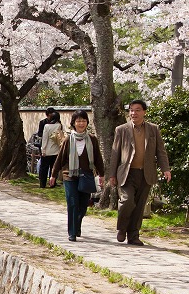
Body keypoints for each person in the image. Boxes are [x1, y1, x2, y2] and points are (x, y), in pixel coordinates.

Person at [109, 99, 171, 246]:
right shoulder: (121, 129)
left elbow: (160, 151)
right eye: (131, 110)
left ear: (144, 112)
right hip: (126, 173)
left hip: (145, 173)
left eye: (137, 110)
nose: (133, 113)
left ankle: (133, 236)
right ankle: (122, 228)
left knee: (139, 206)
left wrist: (165, 169)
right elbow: (115, 153)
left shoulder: (153, 129)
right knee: (127, 201)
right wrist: (112, 174)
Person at [50, 110, 105, 241]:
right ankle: (72, 232)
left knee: (83, 205)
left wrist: (102, 175)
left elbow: (98, 158)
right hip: (69, 175)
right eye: (78, 121)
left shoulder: (92, 139)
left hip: (86, 176)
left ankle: (77, 224)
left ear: (87, 122)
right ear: (74, 123)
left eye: (83, 120)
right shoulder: (69, 139)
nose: (81, 123)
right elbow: (60, 158)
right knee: (72, 203)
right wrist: (53, 175)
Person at [39, 111, 63, 188]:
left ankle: (42, 184)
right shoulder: (60, 126)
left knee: (44, 168)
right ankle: (52, 183)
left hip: (47, 151)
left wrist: (43, 150)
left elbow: (45, 139)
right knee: (54, 168)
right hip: (56, 151)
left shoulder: (47, 126)